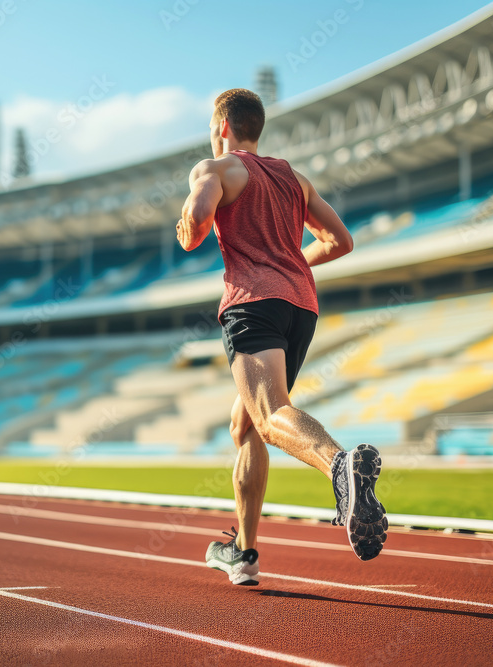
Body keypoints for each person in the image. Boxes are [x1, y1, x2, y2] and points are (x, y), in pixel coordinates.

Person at [175, 88, 387, 586]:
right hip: (300, 305)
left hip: (252, 302)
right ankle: (243, 554)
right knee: (246, 426)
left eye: (212, 127)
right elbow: (341, 241)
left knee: (269, 416)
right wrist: (291, 264)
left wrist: (186, 222)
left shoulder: (216, 168)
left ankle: (342, 467)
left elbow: (197, 227)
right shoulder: (295, 178)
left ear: (222, 126)